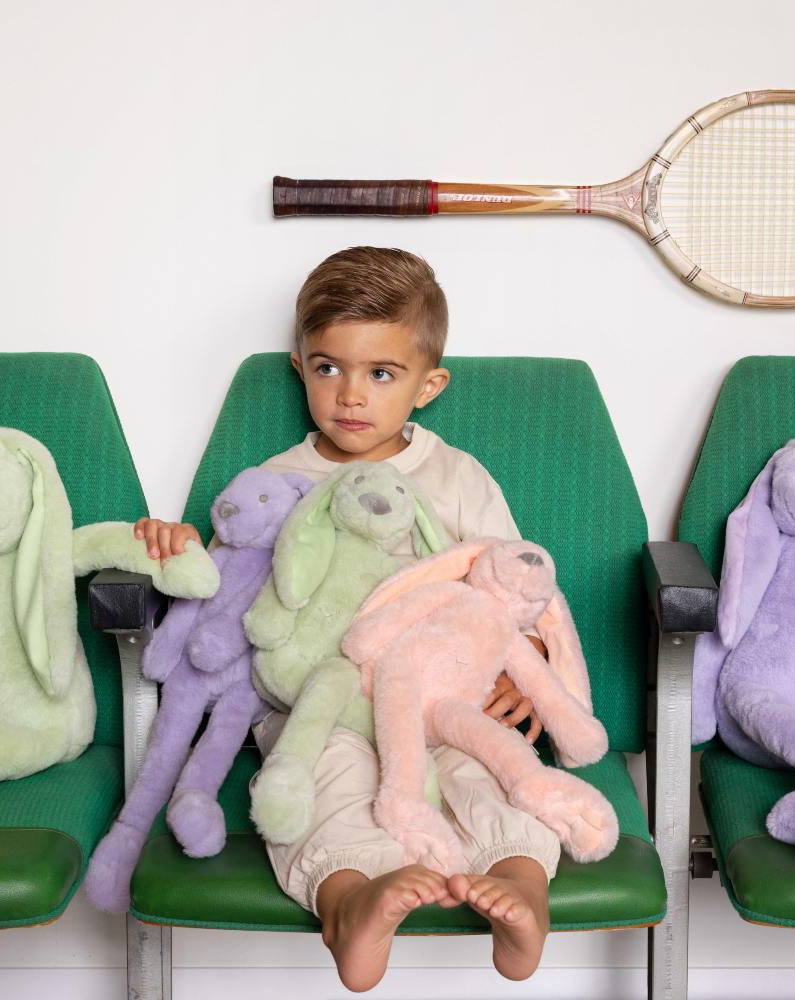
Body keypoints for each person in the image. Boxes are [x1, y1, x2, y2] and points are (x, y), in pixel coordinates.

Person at [136, 247, 559, 991]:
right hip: (317, 703)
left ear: (430, 385)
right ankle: (349, 905)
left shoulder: (458, 479)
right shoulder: (275, 483)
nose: (350, 396)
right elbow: (226, 593)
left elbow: (514, 586)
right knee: (325, 787)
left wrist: (531, 664)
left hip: (442, 698)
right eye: (328, 368)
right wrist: (179, 549)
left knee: (488, 774)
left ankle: (521, 886)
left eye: (381, 374)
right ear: (300, 367)